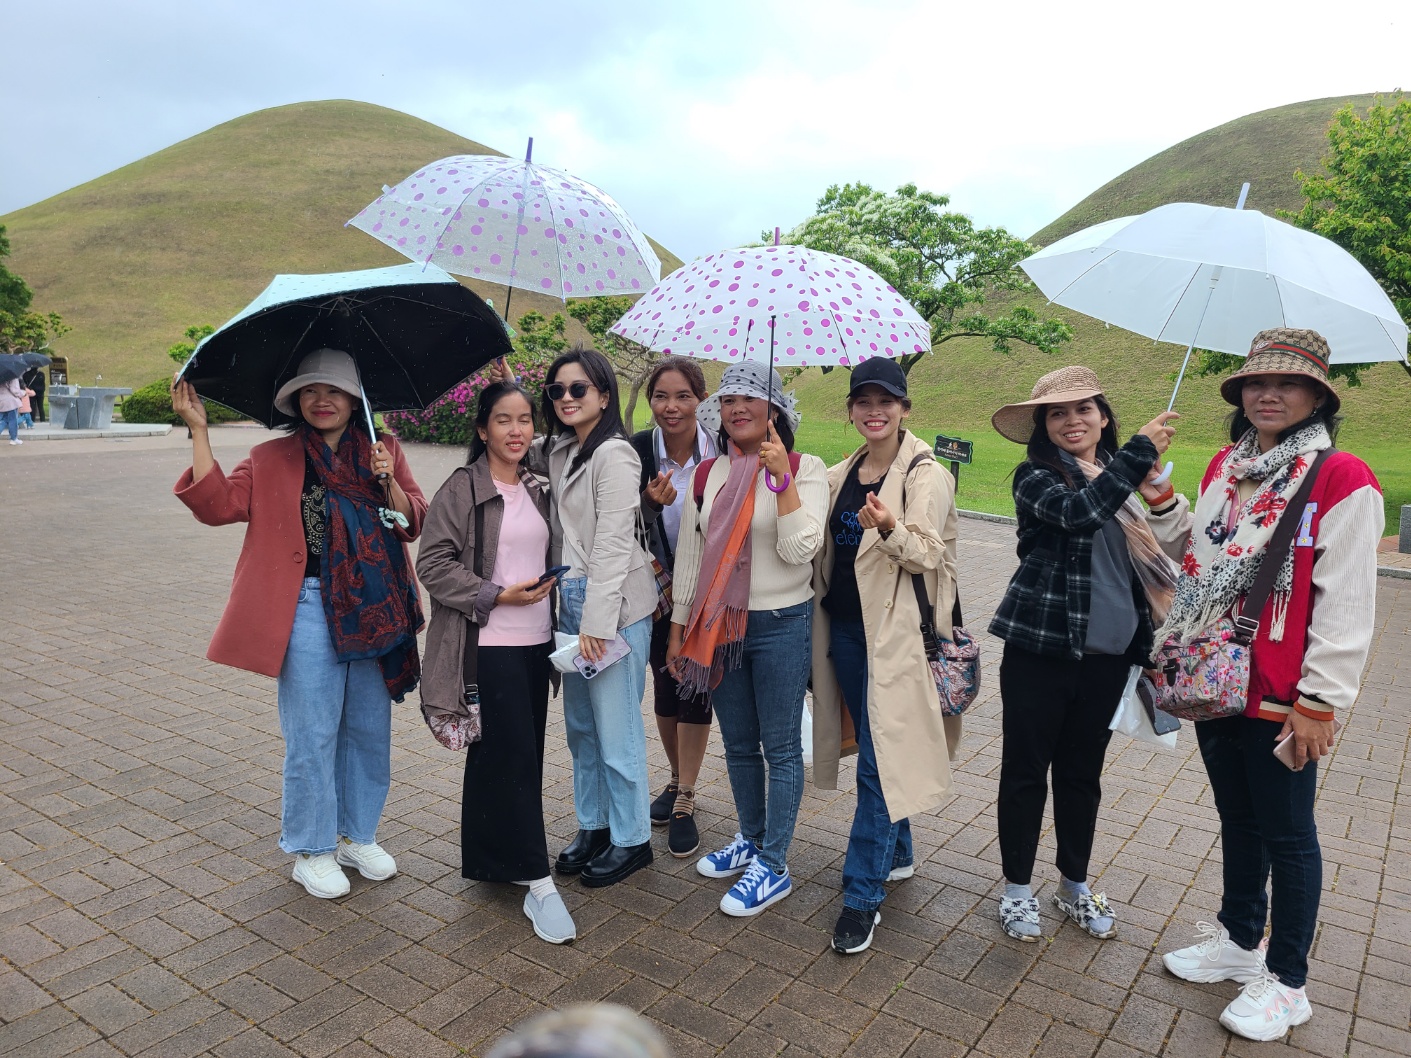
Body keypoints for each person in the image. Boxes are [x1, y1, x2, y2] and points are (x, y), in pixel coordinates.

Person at [1152, 330, 1383, 1043]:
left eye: (1287, 384)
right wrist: (1160, 496)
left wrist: (1320, 702)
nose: (1268, 394)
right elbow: (1198, 556)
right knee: (1239, 818)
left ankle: (1287, 982)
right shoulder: (1227, 465)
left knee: (1288, 833)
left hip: (1284, 691)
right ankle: (1238, 937)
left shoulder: (1341, 478)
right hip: (1216, 676)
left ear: (1317, 396)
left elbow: (1347, 602)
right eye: (1255, 382)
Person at [171, 348, 426, 899]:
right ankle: (312, 848)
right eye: (310, 390)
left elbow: (413, 521)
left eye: (333, 390)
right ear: (295, 401)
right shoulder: (270, 457)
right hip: (307, 604)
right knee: (313, 733)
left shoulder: (383, 449)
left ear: (355, 400)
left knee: (368, 729)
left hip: (373, 609)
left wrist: (389, 483)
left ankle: (357, 835)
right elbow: (217, 506)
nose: (321, 400)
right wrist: (199, 431)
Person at [988, 366, 1178, 942]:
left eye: (1083, 409)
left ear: (1103, 417)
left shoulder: (1123, 478)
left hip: (1110, 655)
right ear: (1044, 426)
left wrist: (1153, 486)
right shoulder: (1036, 477)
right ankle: (1017, 890)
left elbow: (1164, 554)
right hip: (1041, 649)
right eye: (1057, 413)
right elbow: (1079, 514)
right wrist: (1137, 456)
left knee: (1082, 775)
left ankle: (1074, 884)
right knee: (1025, 771)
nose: (1072, 421)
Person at [666, 360, 827, 917]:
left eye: (750, 399)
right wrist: (678, 628)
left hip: (781, 623)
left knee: (780, 748)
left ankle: (774, 864)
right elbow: (691, 557)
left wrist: (780, 481)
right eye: (729, 400)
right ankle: (752, 839)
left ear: (774, 410)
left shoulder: (806, 468)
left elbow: (799, 550)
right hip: (720, 625)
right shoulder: (708, 474)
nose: (738, 409)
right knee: (738, 742)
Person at [417, 380, 575, 943]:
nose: (516, 430)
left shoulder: (537, 484)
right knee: (513, 757)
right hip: (488, 646)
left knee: (507, 758)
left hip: (537, 645)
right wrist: (496, 594)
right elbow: (432, 564)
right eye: (503, 420)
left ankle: (491, 859)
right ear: (482, 429)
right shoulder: (462, 488)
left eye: (525, 419)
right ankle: (537, 879)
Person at [810, 358, 960, 954]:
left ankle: (862, 894)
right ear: (850, 409)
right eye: (864, 401)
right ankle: (897, 853)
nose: (875, 411)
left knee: (877, 762)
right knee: (879, 747)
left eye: (886, 401)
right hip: (847, 633)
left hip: (896, 639)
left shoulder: (926, 474)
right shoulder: (843, 472)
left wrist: (890, 527)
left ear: (904, 408)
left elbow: (927, 553)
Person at [538, 347, 659, 888]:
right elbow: (517, 441)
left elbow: (612, 544)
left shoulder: (615, 455)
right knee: (582, 729)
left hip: (613, 608)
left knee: (617, 728)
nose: (566, 398)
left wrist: (597, 622)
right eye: (556, 390)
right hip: (572, 600)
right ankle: (595, 825)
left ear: (604, 396)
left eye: (578, 389)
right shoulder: (564, 449)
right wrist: (513, 395)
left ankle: (632, 838)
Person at [630, 356, 717, 859]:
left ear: (701, 400)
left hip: (711, 591)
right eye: (661, 396)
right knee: (665, 684)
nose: (672, 407)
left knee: (696, 686)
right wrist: (648, 505)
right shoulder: (638, 451)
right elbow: (617, 523)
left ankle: (685, 794)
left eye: (683, 395)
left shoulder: (720, 449)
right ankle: (677, 776)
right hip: (658, 590)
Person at [1, 377, 23, 444]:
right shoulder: (12, 376)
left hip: (1, 401)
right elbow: (15, 390)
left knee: (4, 420)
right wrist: (22, 393)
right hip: (10, 401)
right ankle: (14, 438)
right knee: (12, 420)